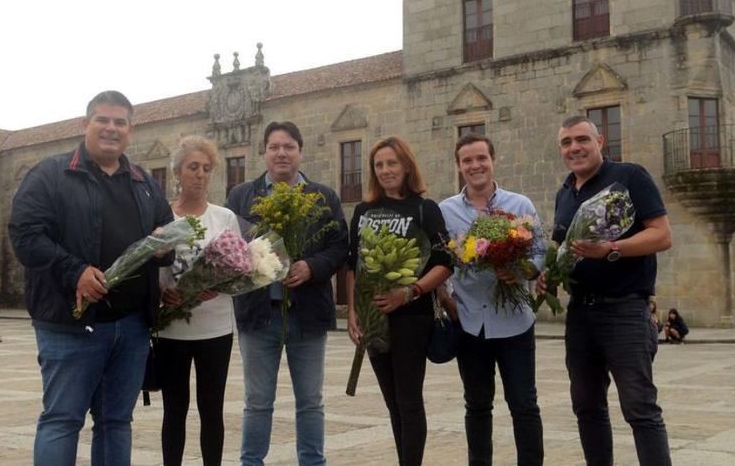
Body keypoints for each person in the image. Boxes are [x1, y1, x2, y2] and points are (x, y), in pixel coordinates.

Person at [8, 90, 174, 465]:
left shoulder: (144, 183)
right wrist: (76, 271)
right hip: (71, 323)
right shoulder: (50, 174)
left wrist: (167, 245)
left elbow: (167, 231)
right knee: (62, 420)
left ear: (131, 130)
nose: (111, 129)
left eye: (120, 122)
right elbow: (25, 236)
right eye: (103, 120)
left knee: (117, 421)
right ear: (85, 125)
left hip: (131, 327)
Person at [546, 115, 673, 466]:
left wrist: (611, 248)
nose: (575, 148)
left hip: (625, 311)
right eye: (567, 142)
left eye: (582, 139)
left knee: (640, 409)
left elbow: (661, 235)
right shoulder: (565, 192)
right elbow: (559, 252)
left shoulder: (630, 176)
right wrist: (546, 277)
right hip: (581, 315)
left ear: (600, 141)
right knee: (587, 407)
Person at [226, 121, 348, 466]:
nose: (281, 153)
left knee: (311, 400)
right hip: (258, 315)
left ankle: (312, 462)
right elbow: (228, 248)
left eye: (289, 146)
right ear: (263, 153)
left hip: (307, 315)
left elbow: (340, 247)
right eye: (274, 147)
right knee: (257, 401)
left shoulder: (323, 196)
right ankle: (252, 462)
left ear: (300, 151)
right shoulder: (241, 197)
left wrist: (311, 267)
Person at [345, 137, 453, 466]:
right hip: (374, 317)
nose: (386, 170)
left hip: (411, 318)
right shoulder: (363, 211)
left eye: (392, 163)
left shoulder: (424, 208)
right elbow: (354, 265)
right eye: (379, 165)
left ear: (406, 166)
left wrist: (409, 292)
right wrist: (352, 312)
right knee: (392, 402)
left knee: (408, 400)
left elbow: (446, 262)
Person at [440, 133, 545, 466]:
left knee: (524, 404)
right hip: (471, 323)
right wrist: (447, 302)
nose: (475, 166)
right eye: (467, 161)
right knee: (477, 406)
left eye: (481, 158)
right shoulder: (445, 211)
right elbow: (440, 264)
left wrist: (523, 271)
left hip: (515, 321)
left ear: (493, 160)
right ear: (459, 166)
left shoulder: (520, 205)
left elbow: (540, 253)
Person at [154, 135, 239, 466]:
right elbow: (151, 266)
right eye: (193, 167)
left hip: (215, 328)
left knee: (211, 410)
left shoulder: (224, 218)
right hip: (171, 329)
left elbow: (237, 269)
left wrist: (219, 284)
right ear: (177, 172)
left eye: (206, 168)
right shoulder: (162, 218)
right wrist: (162, 291)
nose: (200, 174)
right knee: (174, 410)